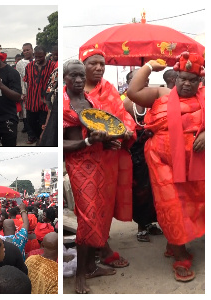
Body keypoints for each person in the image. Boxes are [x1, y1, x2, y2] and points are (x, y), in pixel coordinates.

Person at [127, 52, 205, 282]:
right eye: (183, 78)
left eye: (193, 79)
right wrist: (149, 67)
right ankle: (180, 256)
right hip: (162, 161)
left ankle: (174, 242)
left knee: (191, 204)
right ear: (175, 78)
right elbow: (133, 93)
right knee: (172, 204)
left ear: (200, 81)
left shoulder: (205, 97)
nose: (187, 83)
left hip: (196, 164)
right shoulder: (162, 93)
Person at [64, 59, 129, 294]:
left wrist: (108, 142)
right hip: (80, 166)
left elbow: (98, 128)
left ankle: (91, 266)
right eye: (74, 76)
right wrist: (87, 141)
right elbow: (59, 144)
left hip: (99, 162)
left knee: (100, 216)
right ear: (65, 79)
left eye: (82, 76)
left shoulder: (90, 101)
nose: (79, 80)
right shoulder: (63, 105)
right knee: (88, 218)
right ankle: (79, 277)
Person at [81, 49, 135, 271]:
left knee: (105, 204)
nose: (99, 68)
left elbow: (122, 117)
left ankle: (100, 243)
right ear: (83, 65)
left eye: (102, 64)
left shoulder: (109, 89)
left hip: (110, 158)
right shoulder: (74, 92)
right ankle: (101, 248)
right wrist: (96, 141)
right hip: (84, 158)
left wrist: (127, 131)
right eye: (93, 63)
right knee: (89, 206)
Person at [123, 69, 163, 242]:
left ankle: (151, 223)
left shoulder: (154, 100)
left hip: (156, 148)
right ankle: (141, 226)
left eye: (145, 79)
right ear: (129, 83)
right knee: (140, 189)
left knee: (157, 188)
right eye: (136, 79)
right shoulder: (124, 103)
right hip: (136, 151)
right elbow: (123, 126)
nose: (143, 82)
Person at [23, 45, 56, 144]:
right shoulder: (28, 67)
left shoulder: (52, 66)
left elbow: (54, 84)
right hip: (31, 102)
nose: (37, 59)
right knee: (31, 123)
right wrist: (27, 96)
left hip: (45, 104)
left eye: (40, 57)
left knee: (44, 127)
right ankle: (39, 139)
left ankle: (41, 142)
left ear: (45, 55)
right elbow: (28, 82)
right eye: (36, 56)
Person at [16, 43, 34, 137]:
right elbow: (18, 79)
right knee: (26, 113)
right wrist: (21, 93)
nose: (26, 52)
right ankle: (30, 135)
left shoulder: (37, 60)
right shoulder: (20, 64)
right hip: (25, 91)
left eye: (28, 50)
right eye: (24, 50)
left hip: (37, 92)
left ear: (32, 50)